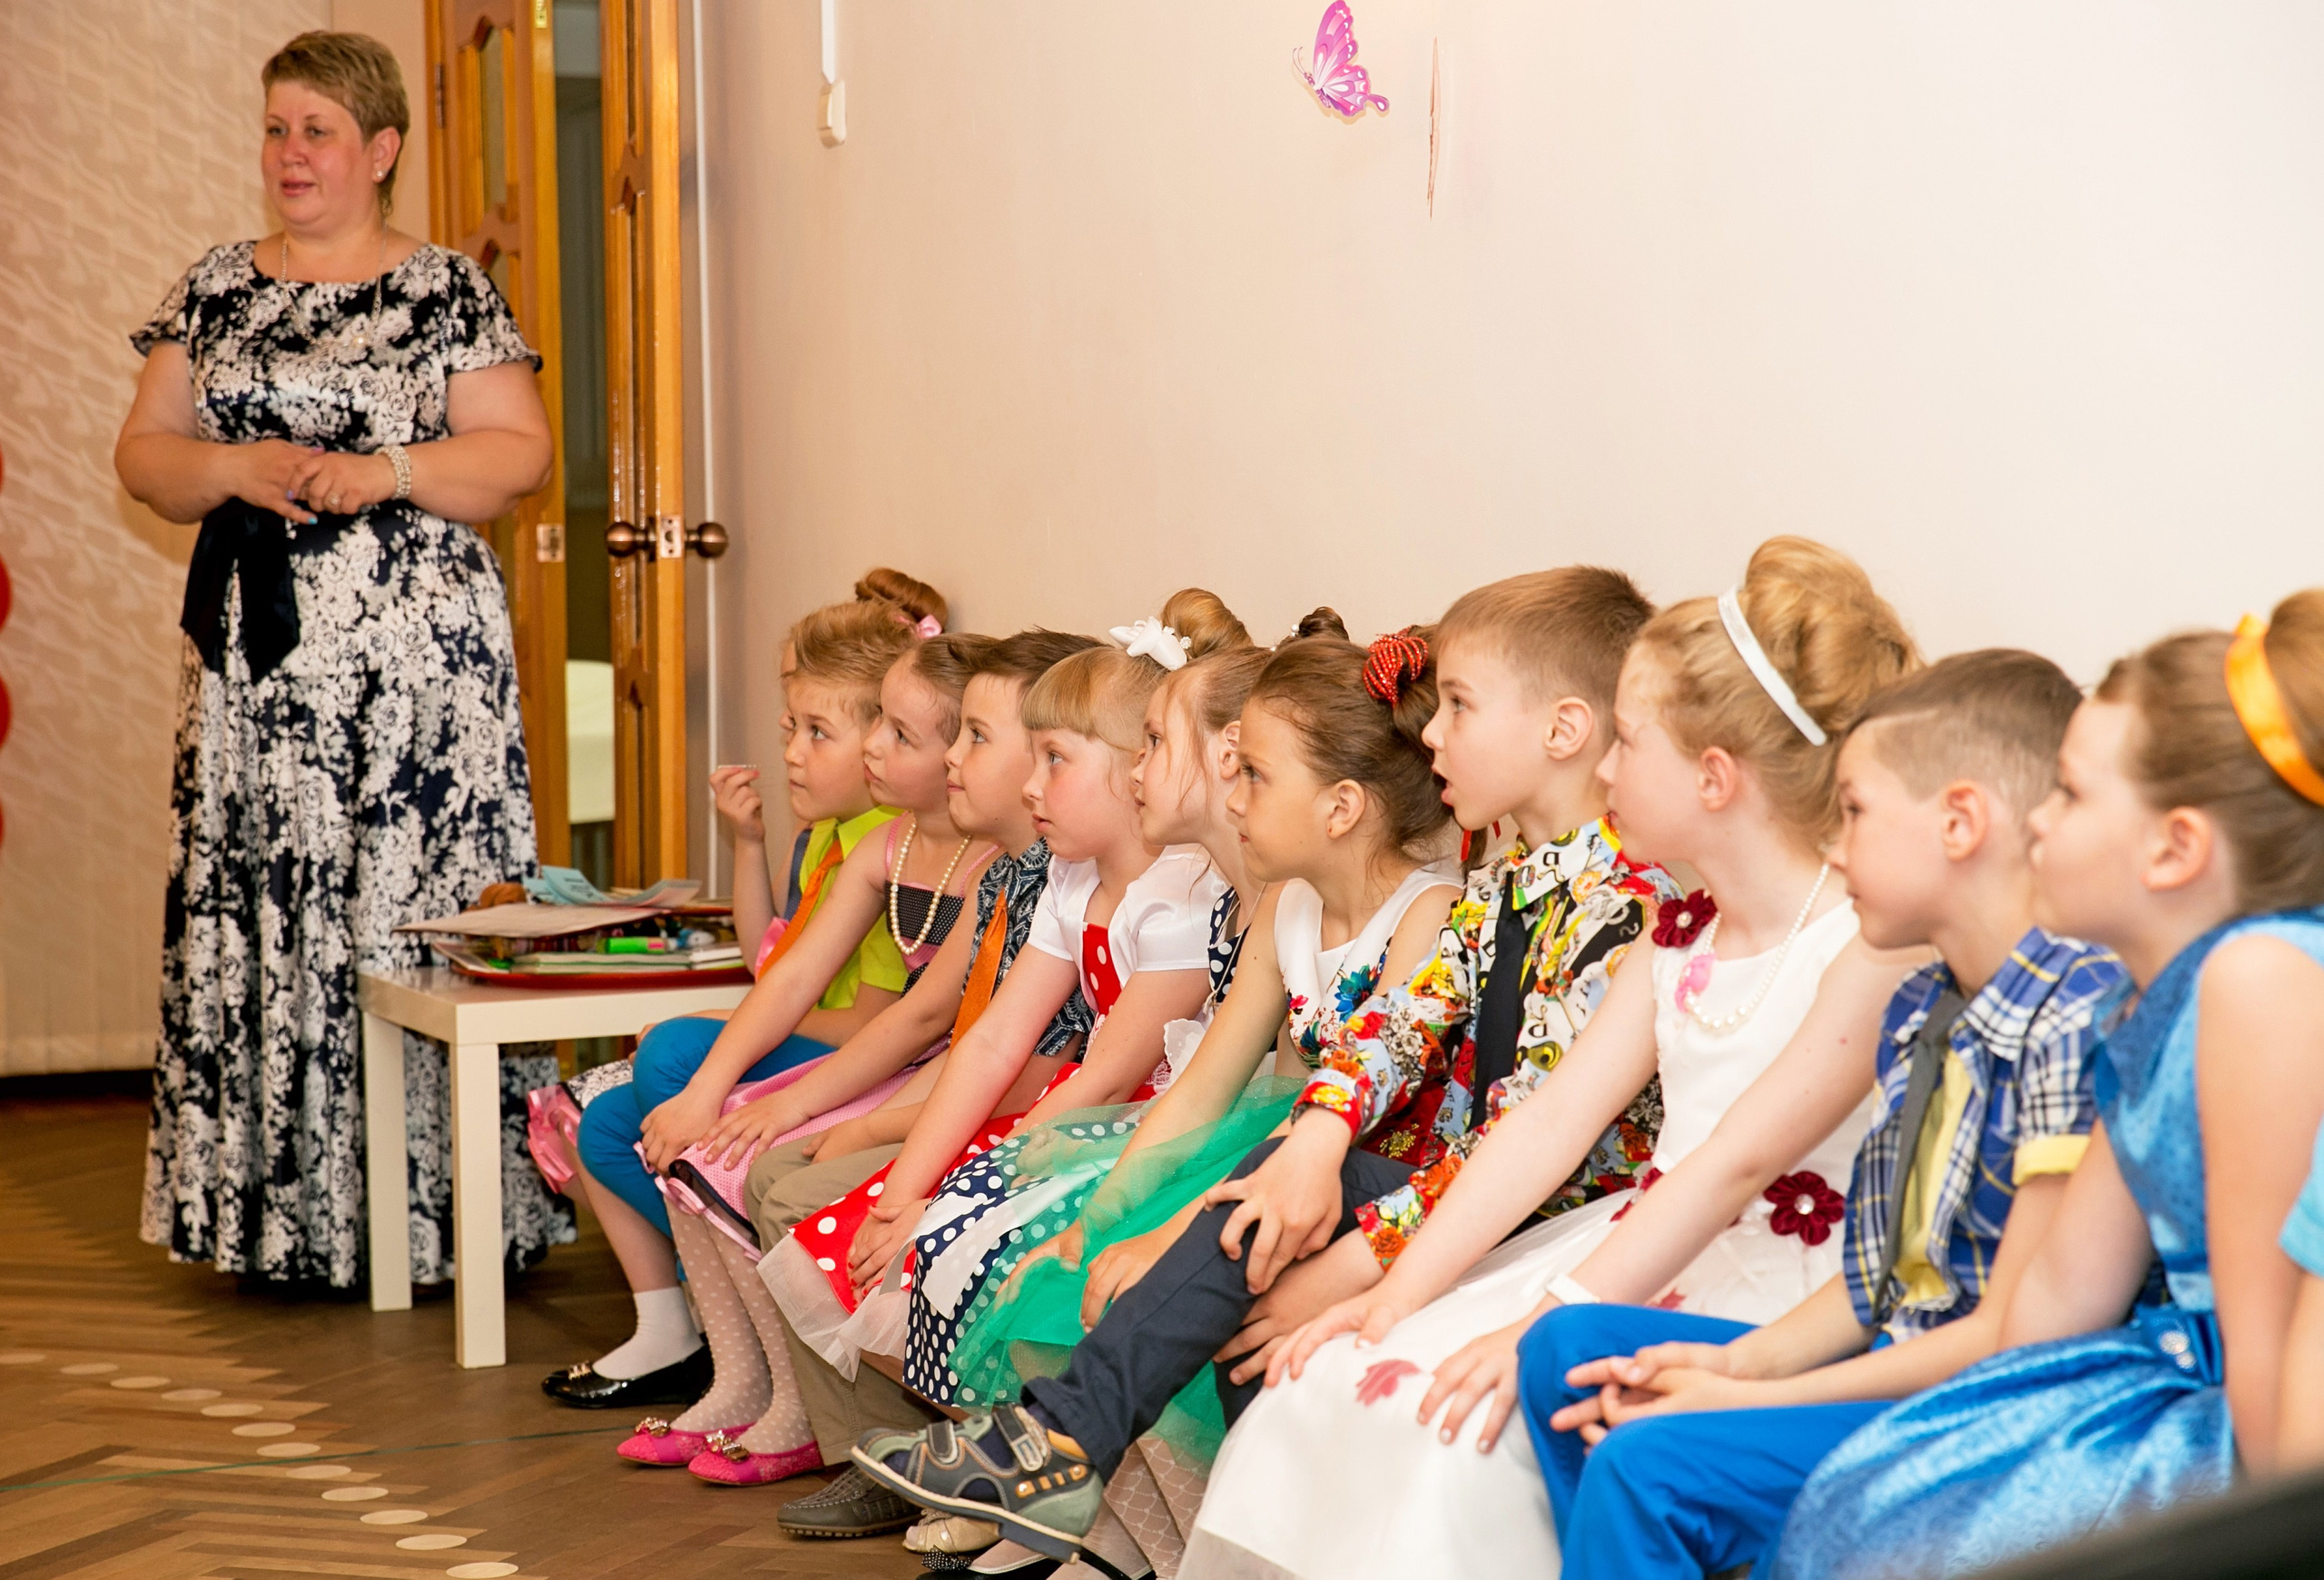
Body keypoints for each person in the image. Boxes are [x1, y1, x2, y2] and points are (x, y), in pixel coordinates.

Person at [850, 565, 1691, 1566]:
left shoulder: (1620, 906)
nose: (1432, 734)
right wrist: (1319, 1136)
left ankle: (1067, 1446)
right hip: (1455, 1191)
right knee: (1275, 1196)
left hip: (1545, 1221)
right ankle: (1076, 1449)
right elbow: (1394, 1031)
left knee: (1279, 1243)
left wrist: (1354, 1252)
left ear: (1562, 731)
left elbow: (1535, 1147)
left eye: (1460, 706)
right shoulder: (1510, 881)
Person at [1183, 539, 1919, 1580]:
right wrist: (1389, 1301)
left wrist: (1536, 1324)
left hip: (1776, 1286)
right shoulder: (1680, 933)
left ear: (1714, 778)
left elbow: (1729, 1173)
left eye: (1628, 740)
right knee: (1340, 1377)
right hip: (1635, 1244)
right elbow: (1541, 1128)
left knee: (1458, 1440)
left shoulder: (1857, 940)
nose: (1607, 770)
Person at [1512, 650, 2121, 1580]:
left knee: (1644, 1463)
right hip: (1905, 1351)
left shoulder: (2072, 1017)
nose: (1833, 850)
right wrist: (1739, 1367)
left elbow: (2017, 1334)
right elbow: (1889, 1277)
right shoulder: (1925, 1006)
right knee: (1569, 1353)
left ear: (1960, 823)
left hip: (1991, 1403)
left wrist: (1742, 1398)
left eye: (1854, 814)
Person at [121, 31, 561, 1289]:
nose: (291, 154)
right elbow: (143, 456)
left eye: (317, 130)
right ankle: (289, 1225)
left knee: (405, 919)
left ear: (381, 149)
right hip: (260, 682)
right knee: (276, 905)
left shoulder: (445, 289)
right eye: (276, 129)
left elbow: (516, 453)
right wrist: (230, 469)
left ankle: (446, 1220)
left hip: (424, 693)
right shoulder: (213, 285)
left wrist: (386, 473)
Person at [1769, 596, 2324, 1579]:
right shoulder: (2146, 997)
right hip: (2184, 1380)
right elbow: (2060, 1295)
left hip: (2252, 1433)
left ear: (2173, 848)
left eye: (2068, 794)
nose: (2037, 823)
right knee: (1870, 1496)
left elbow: (2275, 1410)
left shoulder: (2260, 977)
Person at [928, 627, 1463, 1578]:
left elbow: (1347, 1124)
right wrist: (1102, 1219)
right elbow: (1197, 1095)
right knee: (1085, 1275)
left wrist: (1162, 1236)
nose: (1233, 794)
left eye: (1252, 774)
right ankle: (1130, 1543)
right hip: (1290, 1162)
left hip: (1377, 1182)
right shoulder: (1286, 908)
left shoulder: (1427, 914)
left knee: (1196, 1270)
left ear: (1341, 806)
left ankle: (1163, 1539)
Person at [766, 597, 1244, 1540]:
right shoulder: (1071, 880)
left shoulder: (1181, 895)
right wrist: (909, 1187)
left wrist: (975, 1184)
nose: (1031, 781)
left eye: (1055, 760)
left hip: (1149, 1131)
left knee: (997, 1255)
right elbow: (991, 1040)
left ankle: (1044, 1507)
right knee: (881, 1231)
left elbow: (1108, 1072)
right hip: (1081, 1119)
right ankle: (990, 1477)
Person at [618, 631, 1098, 1486]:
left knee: (780, 1180)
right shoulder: (1008, 877)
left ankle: (863, 1441)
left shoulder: (1041, 876)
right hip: (953, 1092)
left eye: (968, 738)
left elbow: (994, 1055)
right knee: (716, 1144)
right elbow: (912, 1011)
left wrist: (860, 1125)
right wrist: (776, 1104)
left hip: (1028, 1116)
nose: (949, 758)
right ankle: (770, 1395)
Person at [547, 595, 981, 1407]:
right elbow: (779, 974)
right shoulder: (881, 842)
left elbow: (919, 1020)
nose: (791, 750)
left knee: (694, 1079)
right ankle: (734, 1361)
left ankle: (788, 1388)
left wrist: (784, 1106)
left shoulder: (980, 854)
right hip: (913, 1064)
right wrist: (713, 1094)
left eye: (822, 730)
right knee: (670, 1118)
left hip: (933, 1072)